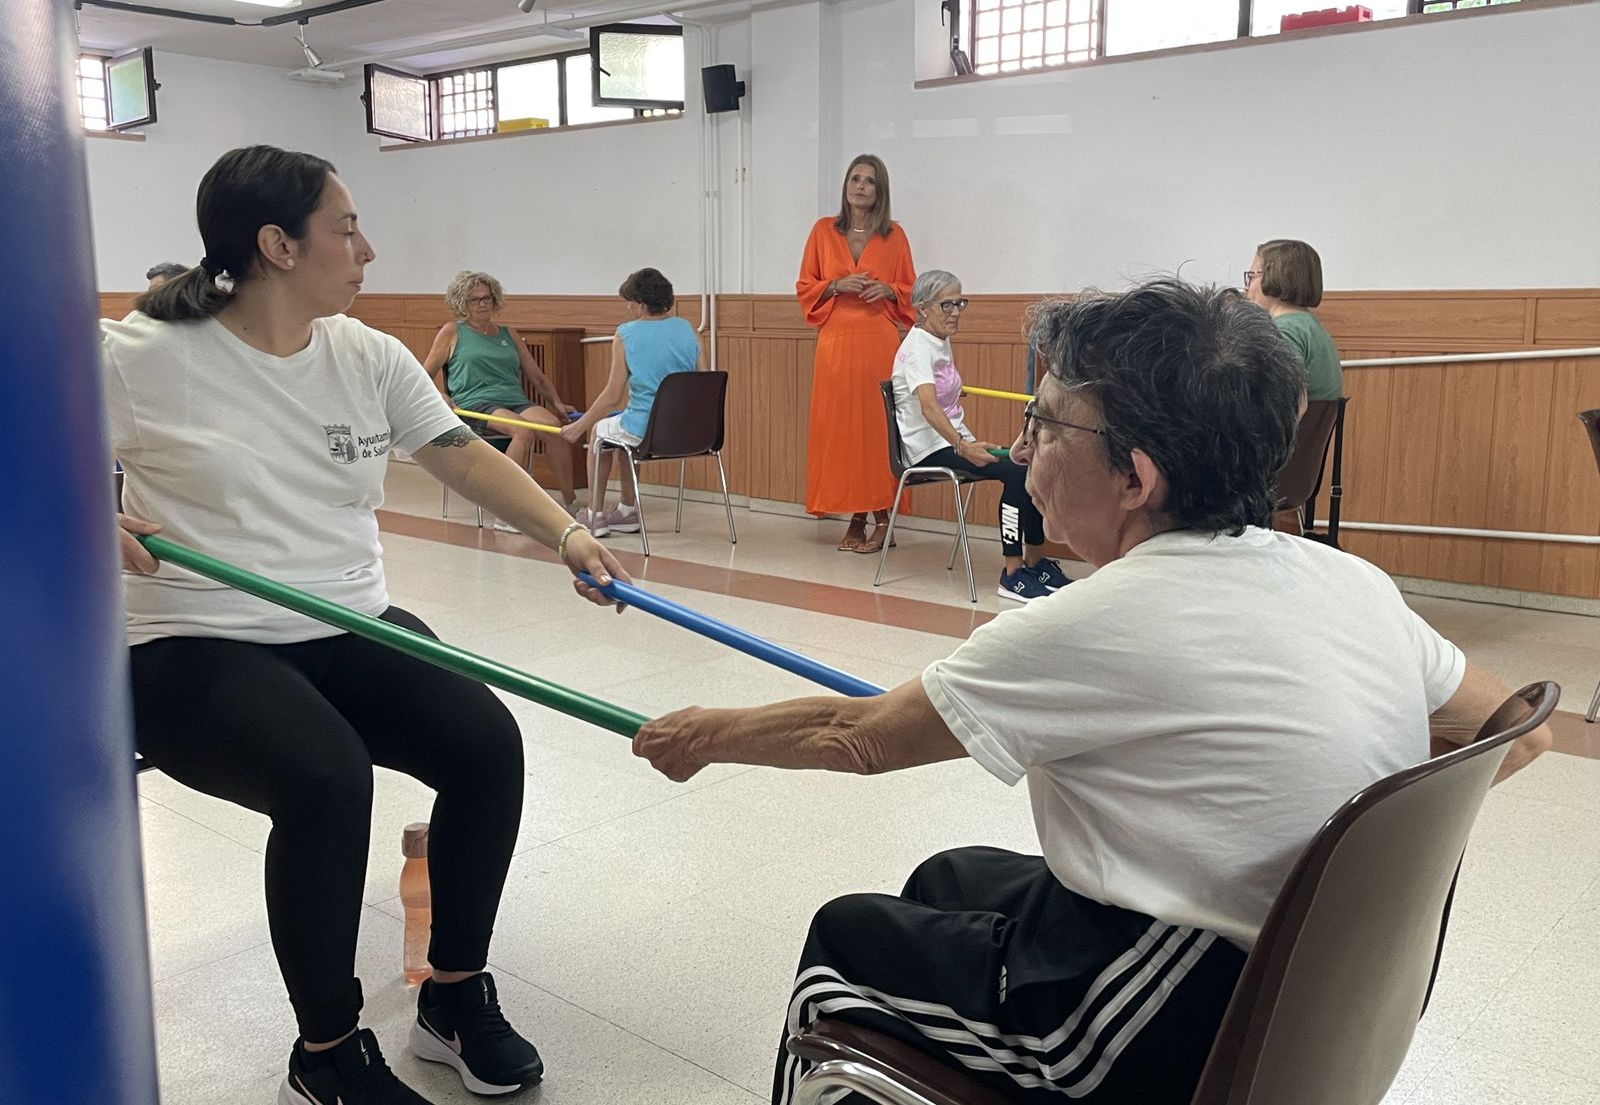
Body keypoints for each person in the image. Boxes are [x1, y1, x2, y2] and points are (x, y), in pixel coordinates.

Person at [631, 278, 1551, 1105]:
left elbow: (856, 736)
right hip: (1320, 991)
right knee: (947, 878)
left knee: (845, 945)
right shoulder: (1345, 579)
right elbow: (1518, 732)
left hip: (1166, 1025)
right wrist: (1311, 839)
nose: (1026, 447)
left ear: (1136, 476)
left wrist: (700, 735)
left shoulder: (1097, 620)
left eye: (1048, 424)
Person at [107, 145, 629, 1105]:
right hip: (192, 640)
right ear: (276, 244)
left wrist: (565, 533)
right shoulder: (142, 356)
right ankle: (327, 1050)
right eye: (346, 229)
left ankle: (456, 996)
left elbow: (464, 458)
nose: (368, 249)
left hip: (349, 622)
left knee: (485, 742)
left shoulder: (367, 353)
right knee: (325, 777)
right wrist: (92, 510)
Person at [892, 269, 1068, 601]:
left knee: (1028, 463)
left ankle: (1036, 560)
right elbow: (929, 408)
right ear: (923, 307)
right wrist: (964, 447)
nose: (956, 312)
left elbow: (940, 394)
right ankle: (1013, 573)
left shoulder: (939, 342)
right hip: (927, 448)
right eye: (947, 305)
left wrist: (962, 434)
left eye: (960, 303)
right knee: (1016, 472)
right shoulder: (917, 348)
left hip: (953, 440)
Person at [797, 154, 916, 553]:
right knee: (840, 430)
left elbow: (912, 292)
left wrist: (890, 290)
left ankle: (883, 517)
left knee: (876, 430)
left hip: (878, 341)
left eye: (869, 181)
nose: (860, 186)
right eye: (854, 178)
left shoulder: (894, 235)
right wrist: (835, 285)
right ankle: (856, 516)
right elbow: (805, 286)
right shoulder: (822, 231)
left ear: (879, 191)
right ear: (846, 185)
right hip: (835, 341)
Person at [421, 270, 578, 513]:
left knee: (556, 429)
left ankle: (571, 504)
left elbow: (536, 375)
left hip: (514, 401)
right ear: (463, 303)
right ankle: (510, 508)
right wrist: (440, 397)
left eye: (487, 298)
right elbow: (423, 376)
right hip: (475, 404)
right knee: (522, 432)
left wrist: (556, 403)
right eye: (475, 300)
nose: (483, 304)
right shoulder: (452, 331)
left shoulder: (508, 333)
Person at [561, 267, 702, 537]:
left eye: (630, 302)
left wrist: (580, 427)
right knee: (622, 431)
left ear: (641, 304)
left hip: (646, 430)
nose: (627, 308)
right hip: (691, 432)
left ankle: (594, 514)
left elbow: (612, 395)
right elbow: (702, 381)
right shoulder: (689, 330)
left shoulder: (625, 333)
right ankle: (626, 511)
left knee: (601, 432)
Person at [1245, 239, 1342, 401]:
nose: (1246, 287)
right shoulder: (1308, 325)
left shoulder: (1284, 331)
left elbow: (1283, 401)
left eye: (1251, 276)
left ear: (1275, 277)